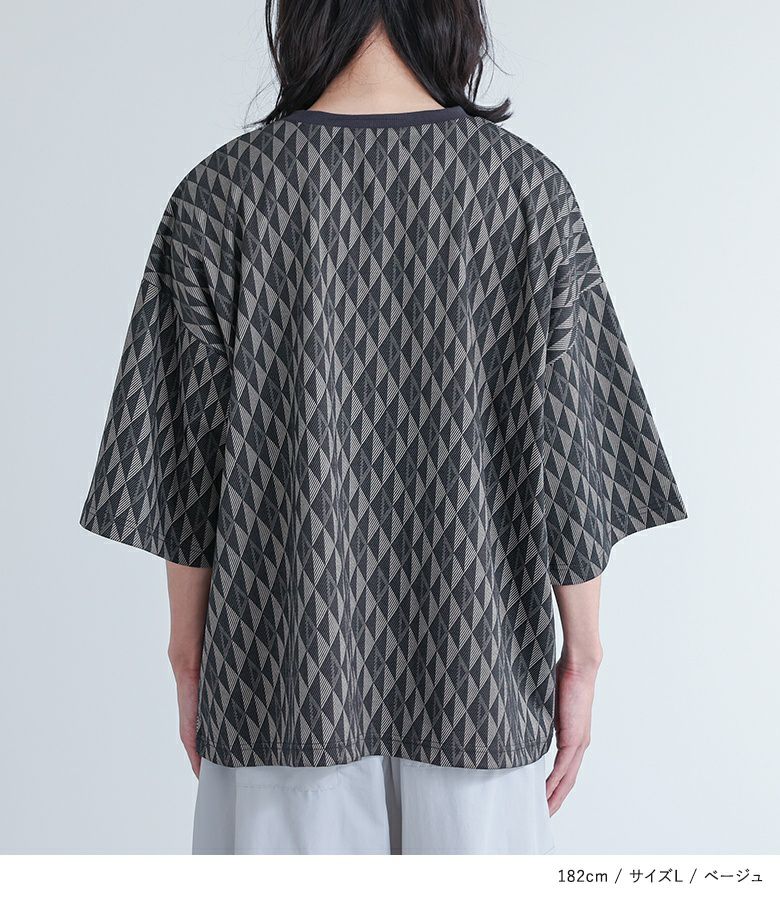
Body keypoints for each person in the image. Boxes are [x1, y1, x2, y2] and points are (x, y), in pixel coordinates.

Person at [80, 0, 686, 855]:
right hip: (479, 684)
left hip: (281, 691)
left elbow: (184, 480)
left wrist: (188, 655)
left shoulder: (218, 198)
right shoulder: (529, 195)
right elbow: (574, 464)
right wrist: (583, 655)